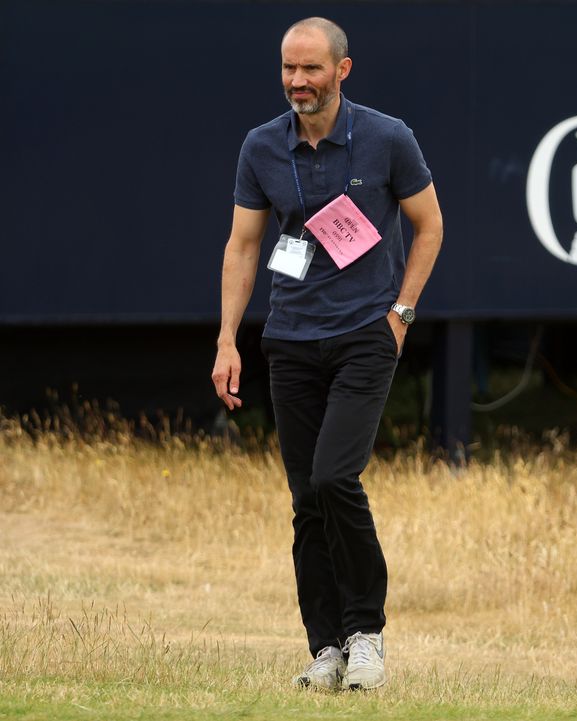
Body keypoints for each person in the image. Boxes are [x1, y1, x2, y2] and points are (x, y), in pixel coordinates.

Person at [210, 16, 443, 691]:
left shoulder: (387, 138)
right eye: (289, 68)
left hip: (365, 337)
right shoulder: (261, 147)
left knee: (336, 479)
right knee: (306, 500)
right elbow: (244, 246)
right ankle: (327, 647)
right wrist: (228, 339)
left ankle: (366, 632)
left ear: (343, 70)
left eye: (311, 69)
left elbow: (430, 226)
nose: (297, 82)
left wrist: (401, 312)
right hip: (289, 341)